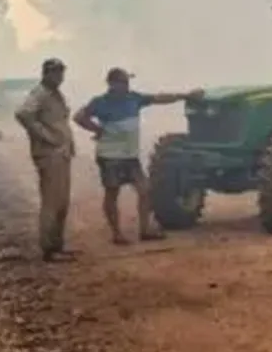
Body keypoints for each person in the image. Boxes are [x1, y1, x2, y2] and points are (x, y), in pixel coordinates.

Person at [72, 67, 203, 245]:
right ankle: (117, 233)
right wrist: (97, 129)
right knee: (112, 193)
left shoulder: (133, 98)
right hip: (110, 155)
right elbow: (79, 116)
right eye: (123, 82)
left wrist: (185, 96)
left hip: (129, 155)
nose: (126, 85)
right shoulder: (100, 102)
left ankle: (144, 230)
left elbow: (159, 98)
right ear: (112, 84)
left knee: (145, 190)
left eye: (127, 82)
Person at [14, 58, 77, 262]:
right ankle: (49, 249)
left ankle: (58, 245)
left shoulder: (55, 94)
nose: (59, 76)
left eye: (61, 72)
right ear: (46, 73)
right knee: (52, 202)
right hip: (49, 154)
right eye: (55, 72)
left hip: (61, 153)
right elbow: (23, 114)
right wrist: (45, 136)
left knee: (62, 202)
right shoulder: (40, 93)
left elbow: (60, 122)